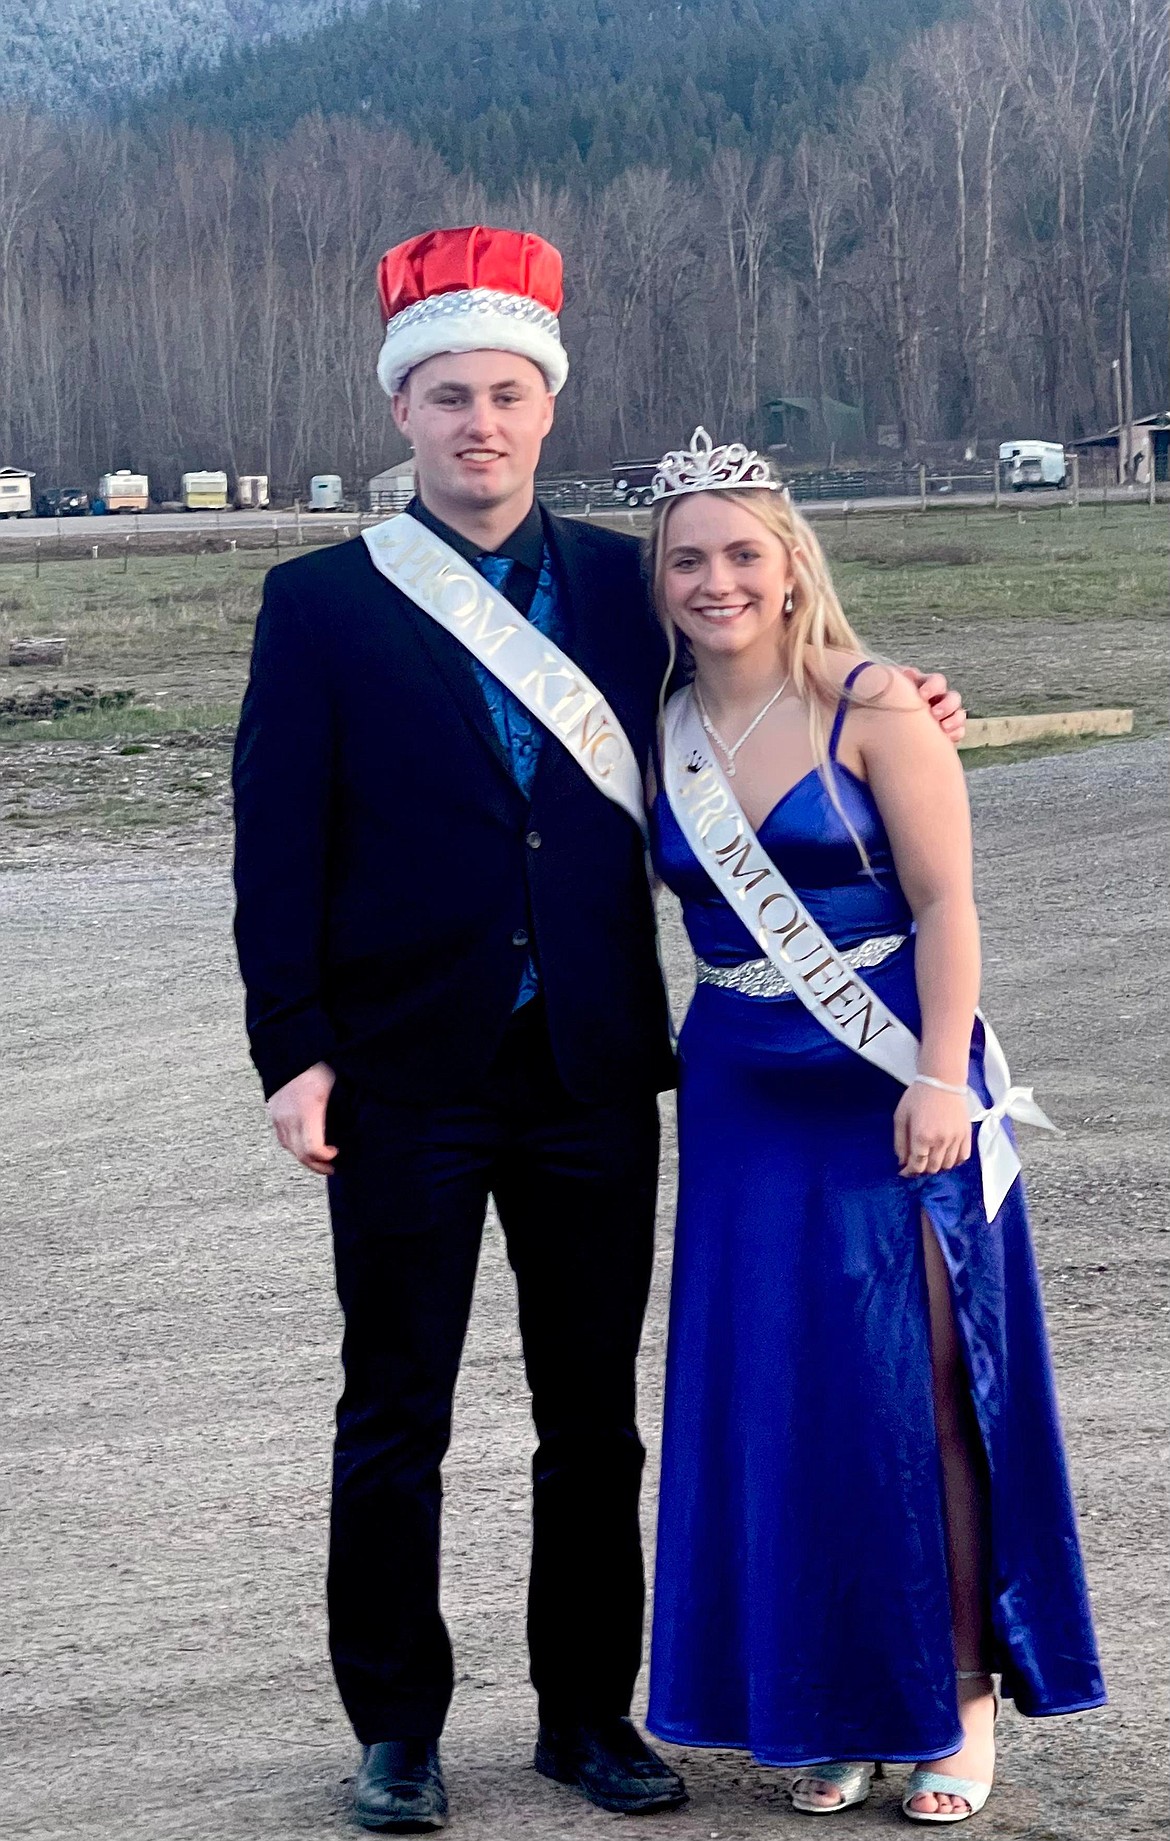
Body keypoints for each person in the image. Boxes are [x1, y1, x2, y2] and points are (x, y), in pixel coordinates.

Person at [231, 229, 966, 1833]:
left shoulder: (630, 597)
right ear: (404, 415)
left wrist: (902, 692)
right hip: (401, 1071)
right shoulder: (320, 604)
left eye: (503, 393)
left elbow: (772, 665)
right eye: (445, 397)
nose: (476, 422)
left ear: (544, 410)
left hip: (589, 1072)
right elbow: (272, 847)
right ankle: (397, 1730)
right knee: (393, 1408)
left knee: (591, 1414)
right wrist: (290, 1049)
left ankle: (586, 1714)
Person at [643, 430, 1105, 1825]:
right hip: (738, 1085)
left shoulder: (876, 704)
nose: (716, 579)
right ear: (658, 583)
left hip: (886, 1070)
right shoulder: (654, 719)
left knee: (927, 1387)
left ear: (792, 565)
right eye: (687, 559)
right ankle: (839, 1699)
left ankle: (956, 1701)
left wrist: (937, 1076)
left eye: (741, 552)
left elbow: (948, 903)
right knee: (787, 1398)